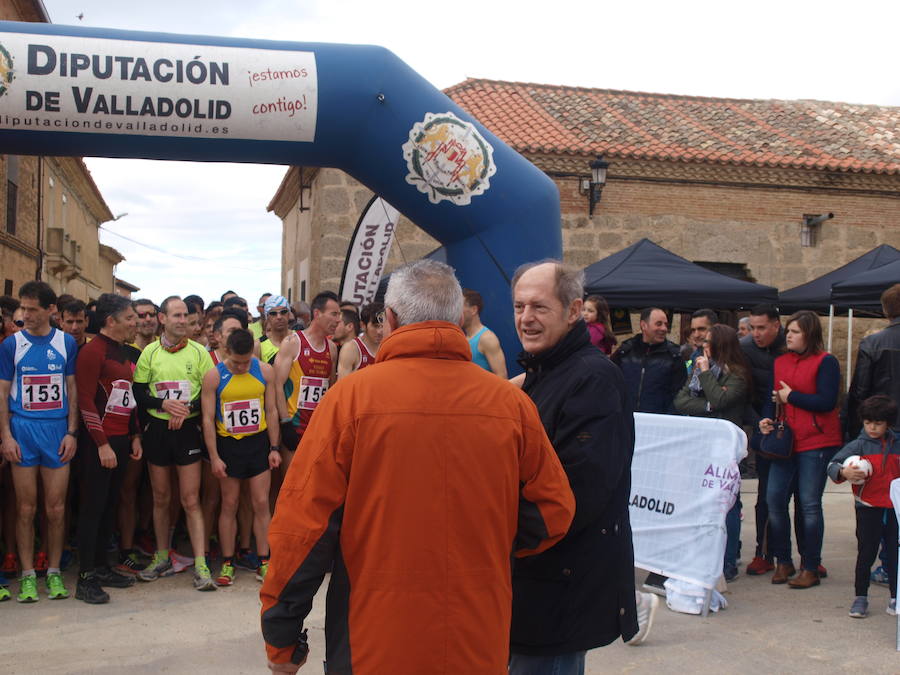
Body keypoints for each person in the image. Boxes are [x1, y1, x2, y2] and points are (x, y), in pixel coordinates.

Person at [260, 259, 575, 673]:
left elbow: (303, 530)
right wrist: (486, 546)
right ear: (457, 317)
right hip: (477, 639)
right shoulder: (511, 404)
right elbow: (553, 512)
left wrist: (282, 639)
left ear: (389, 319)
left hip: (373, 643)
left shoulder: (349, 401)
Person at [509, 260, 653, 673]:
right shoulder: (543, 372)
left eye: (539, 307)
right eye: (519, 307)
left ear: (573, 312)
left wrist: (498, 536)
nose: (526, 319)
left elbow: (578, 492)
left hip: (560, 586)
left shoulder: (592, 378)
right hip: (533, 580)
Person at [0, 281, 78, 602]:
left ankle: (55, 572)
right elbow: (2, 393)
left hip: (56, 431)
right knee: (25, 508)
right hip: (23, 430)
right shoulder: (11, 345)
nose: (26, 314)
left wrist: (72, 432)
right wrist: (5, 435)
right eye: (23, 308)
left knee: (56, 508)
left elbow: (72, 390)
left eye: (32, 309)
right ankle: (29, 574)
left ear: (50, 310)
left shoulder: (66, 343)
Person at [132, 296, 217, 591]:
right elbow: (139, 394)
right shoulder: (150, 354)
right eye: (177, 315)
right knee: (160, 497)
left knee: (190, 499)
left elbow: (210, 394)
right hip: (158, 428)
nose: (182, 320)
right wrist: (165, 404)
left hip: (187, 430)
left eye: (185, 316)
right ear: (162, 319)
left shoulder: (200, 353)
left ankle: (201, 562)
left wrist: (185, 409)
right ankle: (161, 555)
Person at [759, 310, 842, 589]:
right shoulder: (780, 361)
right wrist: (767, 416)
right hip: (787, 439)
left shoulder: (826, 362)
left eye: (795, 331)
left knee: (808, 504)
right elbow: (773, 398)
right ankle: (783, 560)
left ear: (809, 333)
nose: (789, 335)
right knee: (774, 499)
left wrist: (790, 396)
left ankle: (810, 566)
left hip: (816, 442)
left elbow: (827, 401)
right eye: (789, 331)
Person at [74, 293, 144, 603]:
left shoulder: (123, 352)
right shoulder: (92, 352)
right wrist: (101, 444)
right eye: (130, 318)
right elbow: (86, 401)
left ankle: (102, 566)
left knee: (109, 507)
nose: (135, 322)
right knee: (93, 508)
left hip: (119, 439)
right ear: (110, 321)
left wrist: (134, 435)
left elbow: (127, 398)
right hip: (98, 442)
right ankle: (85, 577)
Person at [201, 328, 280, 587]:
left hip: (257, 445)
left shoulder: (264, 371)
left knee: (260, 503)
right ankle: (227, 562)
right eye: (237, 362)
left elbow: (271, 410)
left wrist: (274, 448)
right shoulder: (214, 376)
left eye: (247, 361)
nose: (242, 366)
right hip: (228, 446)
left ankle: (264, 560)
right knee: (230, 504)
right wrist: (214, 457)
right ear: (226, 352)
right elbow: (207, 419)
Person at [675, 324, 752, 580]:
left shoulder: (737, 374)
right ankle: (702, 555)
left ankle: (729, 560)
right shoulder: (699, 370)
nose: (703, 347)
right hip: (701, 442)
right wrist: (708, 403)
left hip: (725, 448)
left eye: (708, 342)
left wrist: (707, 376)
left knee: (728, 504)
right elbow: (682, 400)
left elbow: (722, 401)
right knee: (700, 502)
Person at [827, 395, 900, 617]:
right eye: (868, 423)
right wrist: (844, 472)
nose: (872, 428)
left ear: (888, 423)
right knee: (866, 552)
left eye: (878, 423)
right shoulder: (858, 445)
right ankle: (860, 597)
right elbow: (832, 464)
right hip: (867, 507)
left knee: (895, 554)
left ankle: (895, 597)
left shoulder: (897, 444)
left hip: (894, 509)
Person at [740, 304, 786, 576]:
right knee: (766, 496)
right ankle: (763, 552)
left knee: (805, 500)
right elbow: (743, 394)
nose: (756, 333)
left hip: (793, 427)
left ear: (776, 326)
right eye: (753, 328)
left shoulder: (791, 343)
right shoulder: (745, 349)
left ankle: (807, 558)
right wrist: (758, 421)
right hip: (763, 426)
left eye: (761, 328)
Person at [273, 291, 339, 466]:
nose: (338, 320)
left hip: (318, 428)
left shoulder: (332, 348)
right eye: (334, 314)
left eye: (339, 315)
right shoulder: (293, 343)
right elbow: (277, 385)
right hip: (294, 426)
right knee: (291, 485)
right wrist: (285, 422)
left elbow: (331, 388)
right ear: (317, 314)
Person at [847, 283, 900, 438]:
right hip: (883, 424)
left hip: (882, 424)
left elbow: (860, 391)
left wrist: (853, 427)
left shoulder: (872, 343)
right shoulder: (872, 344)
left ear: (885, 310)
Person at [611, 307, 684, 414]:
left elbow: (679, 395)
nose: (664, 329)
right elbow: (611, 384)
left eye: (665, 324)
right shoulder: (624, 352)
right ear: (643, 325)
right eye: (658, 324)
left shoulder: (674, 355)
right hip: (624, 419)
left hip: (658, 422)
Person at [460, 289, 507, 377]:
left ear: (474, 310)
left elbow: (502, 377)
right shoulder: (463, 339)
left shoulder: (487, 338)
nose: (456, 311)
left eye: (459, 307)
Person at [336, 302, 383, 379]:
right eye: (375, 326)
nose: (379, 331)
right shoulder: (351, 349)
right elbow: (342, 386)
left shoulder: (388, 348)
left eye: (382, 326)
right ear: (363, 325)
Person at [258, 295, 293, 365]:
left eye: (283, 312)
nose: (279, 317)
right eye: (273, 313)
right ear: (267, 317)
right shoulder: (258, 345)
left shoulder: (300, 338)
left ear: (289, 314)